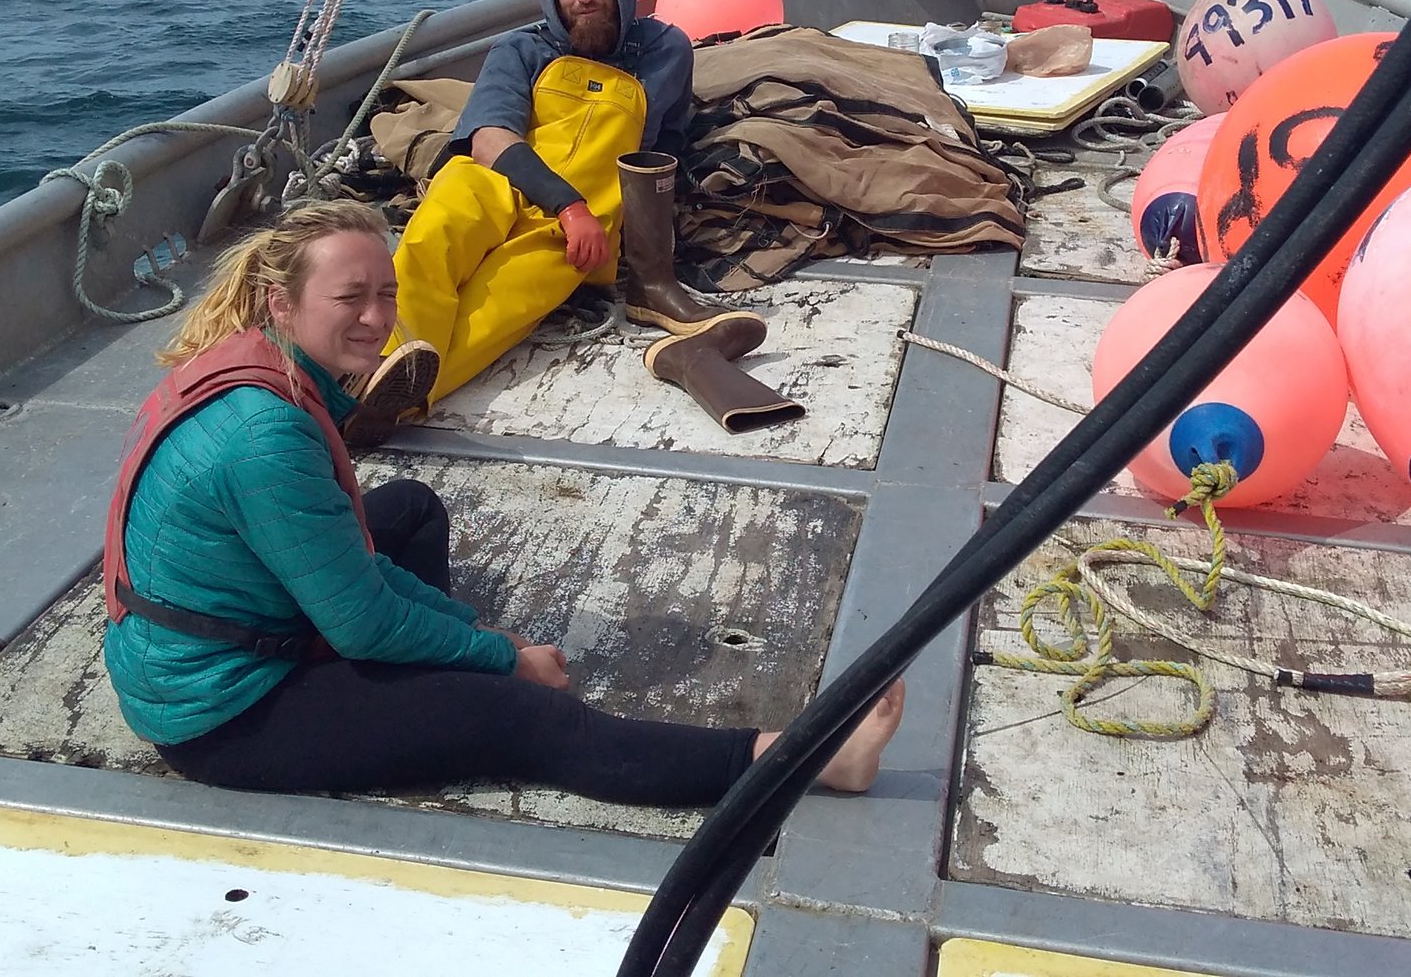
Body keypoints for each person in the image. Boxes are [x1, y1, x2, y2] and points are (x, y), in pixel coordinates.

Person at [100, 199, 902, 805]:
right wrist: (501, 660)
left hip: (227, 623)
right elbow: (361, 620)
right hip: (222, 713)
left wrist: (460, 632)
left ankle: (422, 685)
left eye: (387, 292)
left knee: (410, 507)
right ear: (281, 303)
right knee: (524, 719)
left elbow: (360, 566)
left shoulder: (252, 365)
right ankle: (810, 759)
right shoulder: (265, 435)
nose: (378, 320)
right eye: (350, 298)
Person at [371, 0, 754, 424]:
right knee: (434, 239)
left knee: (501, 302)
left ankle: (395, 404)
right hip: (496, 182)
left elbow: (664, 150)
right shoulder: (520, 50)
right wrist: (565, 203)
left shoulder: (667, 51)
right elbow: (488, 138)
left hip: (584, 224)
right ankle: (376, 368)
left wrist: (643, 252)